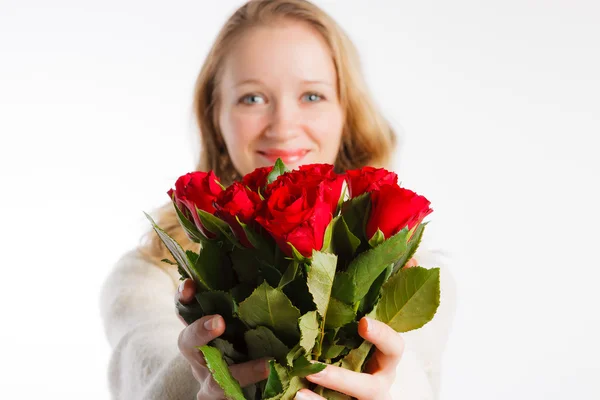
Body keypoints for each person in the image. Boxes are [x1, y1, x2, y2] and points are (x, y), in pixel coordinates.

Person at [99, 0, 457, 399]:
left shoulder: (411, 274)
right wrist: (201, 383)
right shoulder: (148, 275)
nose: (284, 127)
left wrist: (385, 388)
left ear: (346, 113)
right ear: (215, 119)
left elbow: (416, 379)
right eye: (252, 98)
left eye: (312, 96)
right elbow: (144, 366)